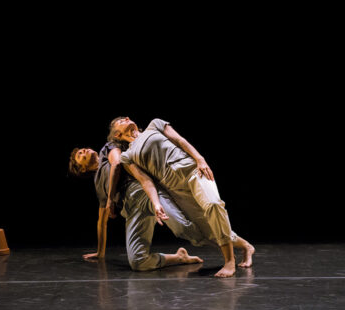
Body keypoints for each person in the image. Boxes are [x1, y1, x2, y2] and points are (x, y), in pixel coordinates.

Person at [109, 117, 255, 278]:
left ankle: (229, 261)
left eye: (127, 117)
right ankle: (245, 246)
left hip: (193, 171)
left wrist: (200, 159)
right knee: (206, 230)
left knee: (213, 205)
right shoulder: (127, 156)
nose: (127, 118)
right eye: (121, 120)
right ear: (117, 135)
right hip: (175, 188)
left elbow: (179, 140)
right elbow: (146, 181)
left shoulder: (154, 125)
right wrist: (156, 204)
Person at [69, 143, 205, 271]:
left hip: (143, 193)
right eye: (80, 155)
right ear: (82, 168)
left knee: (183, 228)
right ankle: (179, 257)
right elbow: (102, 222)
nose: (84, 150)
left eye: (83, 149)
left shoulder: (106, 150)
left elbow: (117, 163)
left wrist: (110, 198)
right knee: (138, 261)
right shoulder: (98, 186)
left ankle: (223, 244)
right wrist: (100, 252)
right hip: (131, 211)